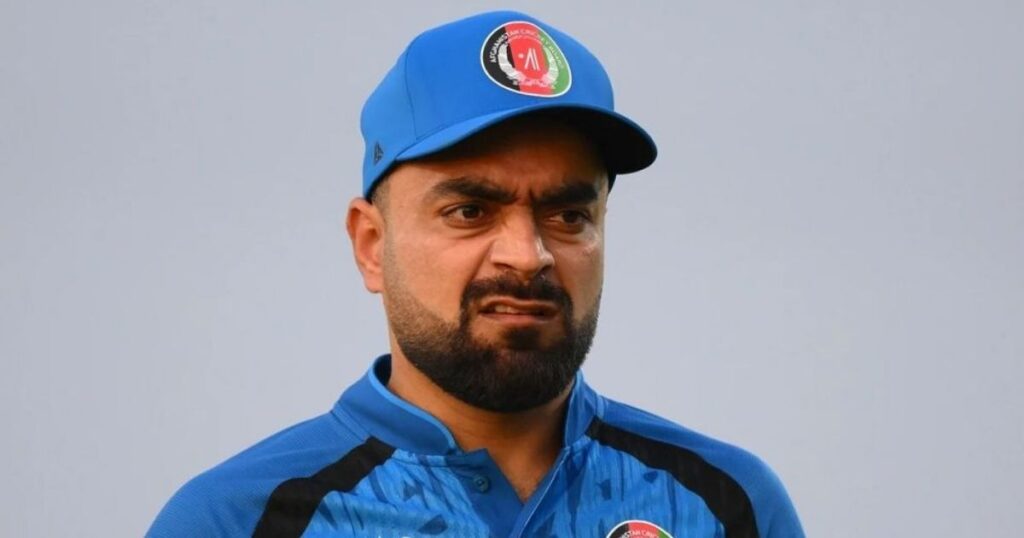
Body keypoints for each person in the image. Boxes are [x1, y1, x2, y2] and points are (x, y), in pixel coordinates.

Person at [148, 10, 804, 538]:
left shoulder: (721, 507)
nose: (528, 254)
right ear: (372, 245)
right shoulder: (241, 520)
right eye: (470, 211)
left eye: (568, 215)